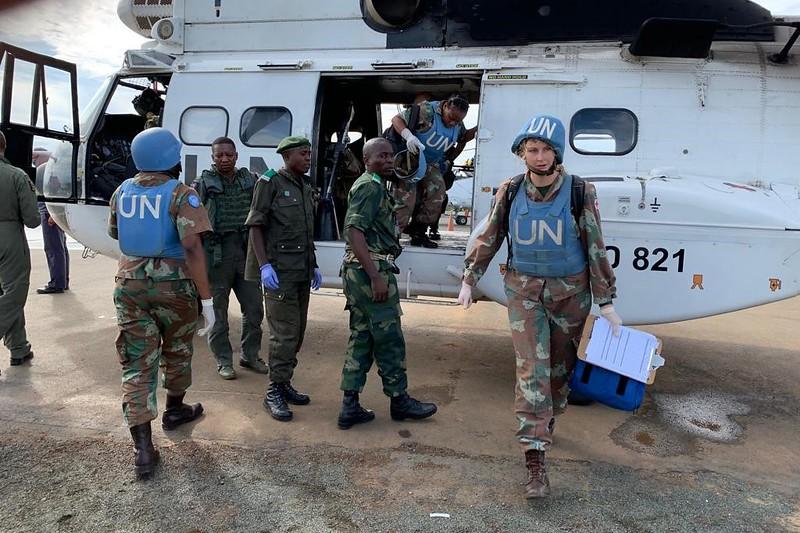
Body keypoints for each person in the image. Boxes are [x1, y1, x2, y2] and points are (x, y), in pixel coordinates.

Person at [457, 115, 622, 499]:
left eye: (547, 149)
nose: (540, 156)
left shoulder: (580, 191)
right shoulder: (511, 190)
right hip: (524, 292)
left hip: (571, 295)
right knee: (532, 369)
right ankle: (535, 460)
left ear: (557, 153)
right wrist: (470, 277)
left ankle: (548, 418)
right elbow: (490, 235)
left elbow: (595, 245)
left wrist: (606, 301)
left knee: (559, 373)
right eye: (533, 149)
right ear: (522, 153)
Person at [108, 127, 215, 478]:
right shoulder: (182, 194)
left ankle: (143, 449)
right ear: (171, 158)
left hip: (129, 285)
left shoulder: (122, 191)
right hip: (174, 286)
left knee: (137, 363)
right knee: (178, 349)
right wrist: (207, 300)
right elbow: (192, 247)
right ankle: (175, 409)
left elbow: (115, 233)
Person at [336, 137, 437, 430]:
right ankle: (399, 400)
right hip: (370, 269)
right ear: (367, 160)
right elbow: (353, 231)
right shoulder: (369, 186)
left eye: (390, 155)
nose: (388, 160)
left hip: (364, 269)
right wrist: (375, 276)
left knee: (363, 337)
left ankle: (350, 405)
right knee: (389, 338)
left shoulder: (377, 185)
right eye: (381, 156)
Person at [245, 136, 321, 422]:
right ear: (287, 156)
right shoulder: (269, 182)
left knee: (297, 332)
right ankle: (273, 391)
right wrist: (264, 266)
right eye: (303, 153)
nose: (308, 157)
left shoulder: (304, 185)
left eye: (309, 153)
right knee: (284, 335)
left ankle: (284, 381)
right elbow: (255, 225)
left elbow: (305, 230)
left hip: (301, 271)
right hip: (280, 273)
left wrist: (313, 265)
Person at [192, 137, 266, 380]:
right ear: (212, 158)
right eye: (219, 155)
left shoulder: (250, 180)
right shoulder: (202, 184)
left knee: (254, 309)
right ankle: (223, 360)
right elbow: (192, 222)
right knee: (217, 314)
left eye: (228, 155)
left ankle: (250, 355)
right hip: (216, 256)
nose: (224, 159)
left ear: (236, 156)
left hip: (245, 253)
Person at [390, 94, 475, 248]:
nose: (452, 123)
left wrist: (478, 129)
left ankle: (419, 232)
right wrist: (408, 136)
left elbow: (463, 137)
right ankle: (391, 237)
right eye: (451, 118)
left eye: (457, 121)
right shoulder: (427, 111)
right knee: (406, 200)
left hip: (431, 162)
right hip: (412, 159)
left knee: (438, 193)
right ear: (445, 106)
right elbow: (397, 119)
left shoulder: (456, 121)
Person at [0, 131, 40, 373]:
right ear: (4, 146)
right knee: (15, 293)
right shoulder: (16, 175)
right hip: (9, 238)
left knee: (6, 294)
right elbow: (33, 219)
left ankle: (18, 347)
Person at [33, 148, 70, 295]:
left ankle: (56, 283)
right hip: (52, 211)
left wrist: (53, 214)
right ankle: (62, 281)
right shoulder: (55, 170)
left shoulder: (50, 173)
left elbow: (54, 196)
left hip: (49, 210)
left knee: (53, 247)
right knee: (60, 247)